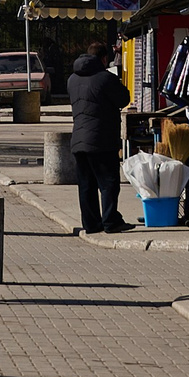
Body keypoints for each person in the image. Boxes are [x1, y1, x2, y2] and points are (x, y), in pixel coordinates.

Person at [68, 41, 131, 233]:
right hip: (102, 140)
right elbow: (124, 99)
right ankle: (111, 221)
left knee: (86, 185)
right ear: (104, 59)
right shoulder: (105, 78)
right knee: (108, 183)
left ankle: (91, 224)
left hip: (79, 141)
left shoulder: (72, 79)